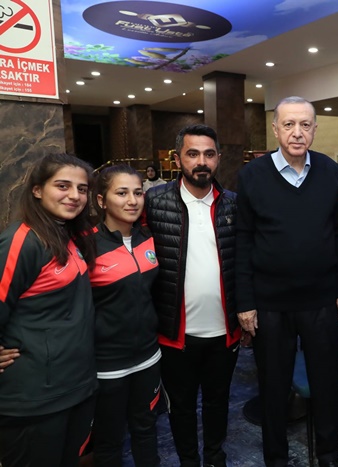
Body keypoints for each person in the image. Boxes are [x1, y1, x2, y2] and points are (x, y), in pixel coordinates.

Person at [236, 96, 338, 467]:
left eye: (305, 124)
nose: (297, 132)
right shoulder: (252, 176)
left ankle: (329, 456)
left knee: (327, 386)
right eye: (289, 124)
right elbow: (243, 241)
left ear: (315, 129)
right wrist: (245, 301)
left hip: (321, 300)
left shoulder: (329, 171)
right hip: (270, 304)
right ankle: (276, 459)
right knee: (273, 389)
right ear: (275, 129)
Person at [144, 124, 240, 467]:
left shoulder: (234, 205)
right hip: (175, 335)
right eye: (193, 153)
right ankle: (188, 461)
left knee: (218, 401)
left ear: (218, 158)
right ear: (177, 159)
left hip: (224, 332)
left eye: (209, 154)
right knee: (181, 407)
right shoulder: (153, 203)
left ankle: (215, 457)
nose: (202, 161)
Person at [0, 153, 98, 467]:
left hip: (74, 386)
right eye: (63, 186)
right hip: (34, 398)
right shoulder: (22, 241)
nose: (75, 195)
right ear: (38, 190)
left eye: (82, 189)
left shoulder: (67, 235)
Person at [90, 165, 161, 466]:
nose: (132, 200)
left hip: (148, 357)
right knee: (109, 440)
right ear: (102, 201)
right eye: (121, 193)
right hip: (107, 365)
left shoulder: (148, 238)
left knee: (146, 429)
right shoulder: (86, 245)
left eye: (138, 192)